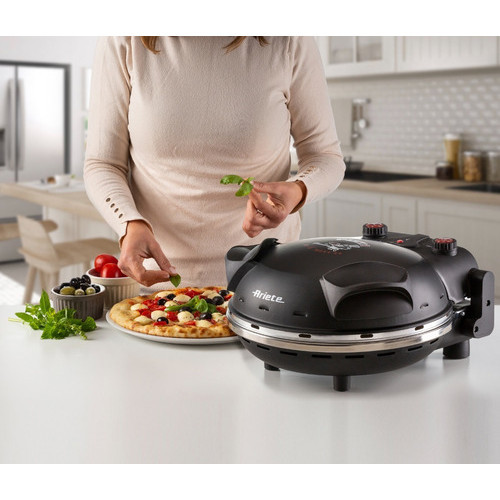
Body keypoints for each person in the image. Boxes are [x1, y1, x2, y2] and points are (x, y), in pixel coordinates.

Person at [84, 36, 345, 288]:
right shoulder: (124, 39)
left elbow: (325, 156)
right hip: (156, 286)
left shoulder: (289, 39)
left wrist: (298, 190)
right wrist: (128, 223)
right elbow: (103, 163)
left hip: (265, 283)